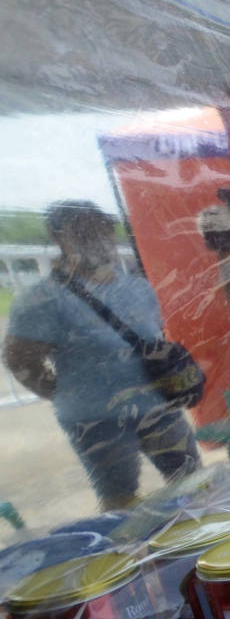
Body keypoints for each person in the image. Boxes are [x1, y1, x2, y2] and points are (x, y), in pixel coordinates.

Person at [4, 200, 200, 510]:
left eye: (103, 228)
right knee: (120, 498)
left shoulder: (137, 287)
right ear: (58, 238)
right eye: (82, 230)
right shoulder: (41, 299)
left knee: (193, 481)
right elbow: (19, 359)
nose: (97, 237)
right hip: (98, 420)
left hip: (157, 406)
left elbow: (154, 337)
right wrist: (71, 396)